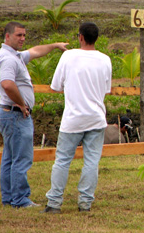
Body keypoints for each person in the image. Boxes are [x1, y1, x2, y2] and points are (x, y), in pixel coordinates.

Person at [0, 21, 68, 208]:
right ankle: (20, 200)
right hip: (16, 114)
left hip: (11, 114)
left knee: (10, 158)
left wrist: (54, 46)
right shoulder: (9, 59)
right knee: (21, 158)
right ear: (7, 36)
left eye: (24, 35)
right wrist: (21, 104)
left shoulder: (15, 55)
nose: (23, 39)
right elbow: (7, 84)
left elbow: (35, 51)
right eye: (19, 35)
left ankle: (9, 198)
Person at [41, 22, 112, 214]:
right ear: (96, 38)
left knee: (62, 160)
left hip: (72, 119)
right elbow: (106, 89)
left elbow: (56, 86)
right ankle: (85, 204)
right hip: (96, 118)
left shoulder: (68, 56)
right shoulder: (105, 60)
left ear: (80, 37)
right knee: (91, 161)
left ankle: (54, 203)